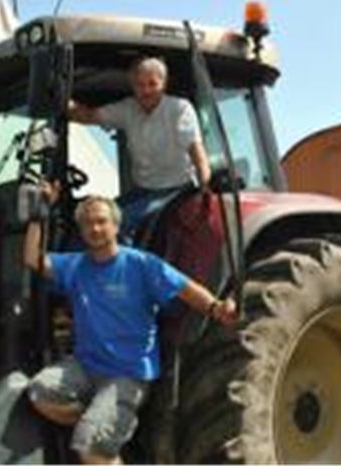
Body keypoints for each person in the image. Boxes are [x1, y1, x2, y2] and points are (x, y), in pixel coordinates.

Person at [23, 191, 236, 465]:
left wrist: (216, 307)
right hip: (86, 366)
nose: (95, 229)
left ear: (115, 225)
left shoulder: (141, 264)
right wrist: (39, 213)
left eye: (101, 221)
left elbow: (185, 288)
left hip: (127, 374)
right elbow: (32, 258)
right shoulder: (75, 266)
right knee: (40, 392)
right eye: (88, 224)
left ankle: (101, 432)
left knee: (91, 448)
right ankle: (100, 423)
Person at [67, 56, 211, 243]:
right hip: (143, 189)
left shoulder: (179, 109)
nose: (146, 90)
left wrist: (205, 188)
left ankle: (127, 270)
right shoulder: (128, 109)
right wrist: (61, 99)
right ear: (132, 85)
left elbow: (196, 150)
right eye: (140, 84)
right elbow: (89, 116)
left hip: (175, 189)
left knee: (114, 226)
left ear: (164, 83)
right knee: (92, 220)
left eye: (152, 84)